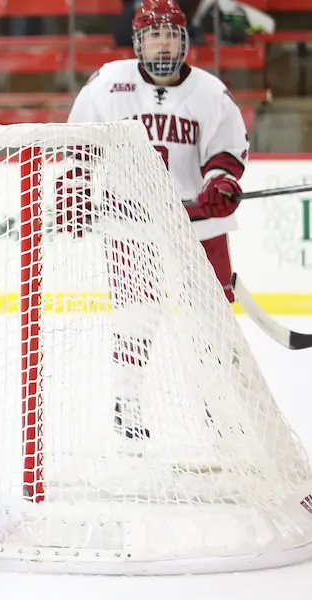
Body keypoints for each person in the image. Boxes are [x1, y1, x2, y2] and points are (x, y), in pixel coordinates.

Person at [64, 0, 249, 439]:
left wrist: (220, 183)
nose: (163, 43)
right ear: (138, 41)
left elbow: (226, 150)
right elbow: (79, 143)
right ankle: (127, 406)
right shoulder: (109, 83)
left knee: (213, 320)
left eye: (170, 34)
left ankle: (217, 406)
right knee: (134, 318)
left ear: (185, 40)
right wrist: (74, 189)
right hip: (130, 220)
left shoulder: (210, 91)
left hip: (197, 227)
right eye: (153, 35)